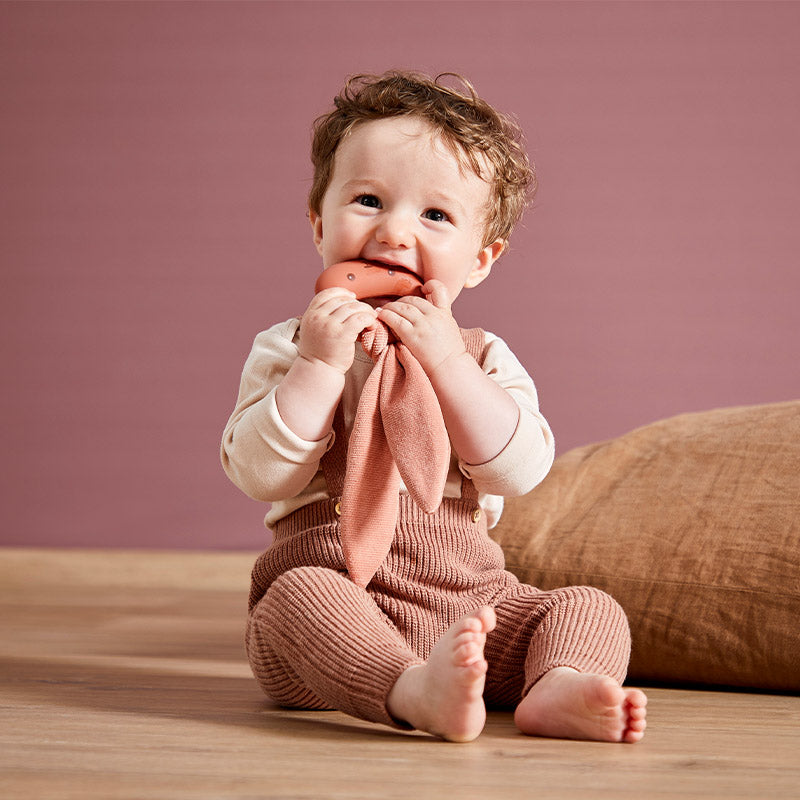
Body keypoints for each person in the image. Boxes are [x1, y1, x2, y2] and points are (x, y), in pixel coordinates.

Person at [221, 71, 647, 743]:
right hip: (335, 607)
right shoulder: (293, 345)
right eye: (367, 200)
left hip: (468, 603)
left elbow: (519, 469)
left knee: (587, 606)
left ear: (480, 259)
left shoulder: (481, 357)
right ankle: (407, 689)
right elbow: (259, 474)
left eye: (434, 215)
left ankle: (555, 685)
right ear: (317, 223)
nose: (392, 234)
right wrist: (320, 367)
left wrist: (447, 364)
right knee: (298, 599)